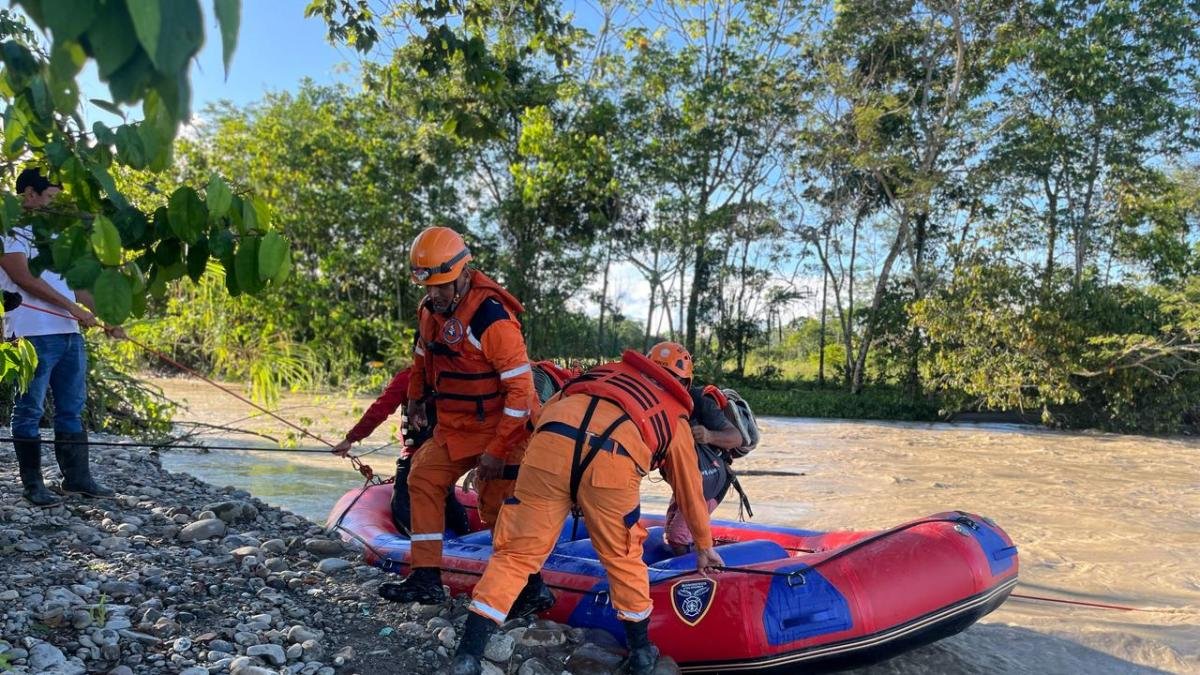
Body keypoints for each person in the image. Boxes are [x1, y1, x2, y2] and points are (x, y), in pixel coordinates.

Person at [448, 349, 725, 675]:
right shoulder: (674, 416)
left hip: (549, 446)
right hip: (612, 464)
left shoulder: (601, 373)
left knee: (515, 556)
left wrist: (516, 464)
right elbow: (689, 489)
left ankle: (468, 653)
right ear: (684, 382)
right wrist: (704, 547)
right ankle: (640, 653)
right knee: (622, 557)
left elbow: (537, 419)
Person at [378, 226, 546, 612]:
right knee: (421, 477)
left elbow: (521, 394)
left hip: (506, 428)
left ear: (465, 274)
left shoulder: (492, 321)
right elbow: (422, 359)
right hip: (457, 427)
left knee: (497, 508)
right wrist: (417, 400)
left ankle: (531, 588)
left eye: (442, 285)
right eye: (428, 286)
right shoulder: (429, 311)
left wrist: (498, 449)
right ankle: (425, 577)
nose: (434, 294)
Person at [3, 168, 125, 506]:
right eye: (51, 198)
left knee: (72, 409)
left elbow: (77, 283)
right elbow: (23, 278)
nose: (57, 205)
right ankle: (33, 486)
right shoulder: (9, 230)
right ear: (29, 194)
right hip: (30, 335)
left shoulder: (56, 237)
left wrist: (108, 318)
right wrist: (71, 308)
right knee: (28, 410)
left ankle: (77, 480)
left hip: (69, 336)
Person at [332, 368, 469, 535]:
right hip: (447, 456)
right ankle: (465, 537)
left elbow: (380, 409)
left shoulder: (408, 377)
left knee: (401, 506)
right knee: (447, 498)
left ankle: (420, 544)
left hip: (415, 457)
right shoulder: (458, 377)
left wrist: (350, 439)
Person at [647, 342, 746, 555]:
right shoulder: (649, 405)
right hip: (685, 479)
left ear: (683, 381)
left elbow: (736, 438)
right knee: (669, 532)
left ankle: (697, 579)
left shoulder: (700, 401)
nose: (660, 384)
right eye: (655, 377)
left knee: (678, 537)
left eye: (667, 377)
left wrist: (709, 435)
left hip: (710, 480)